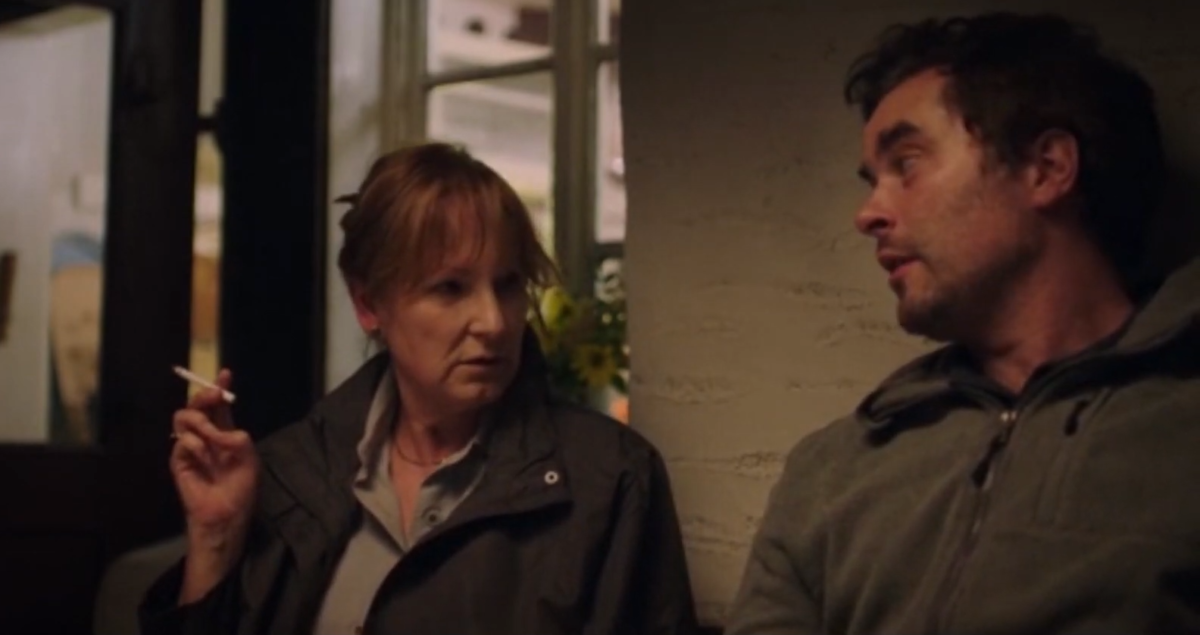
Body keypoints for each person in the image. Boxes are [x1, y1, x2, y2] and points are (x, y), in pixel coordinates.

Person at [727, 12, 1200, 635]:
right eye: (874, 180)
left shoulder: (1179, 431)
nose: (867, 215)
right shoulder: (833, 470)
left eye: (907, 163)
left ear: (1046, 168)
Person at [140, 142, 699, 635]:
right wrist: (215, 538)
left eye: (508, 285)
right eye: (451, 288)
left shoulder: (610, 480)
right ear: (368, 304)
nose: (494, 322)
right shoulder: (291, 473)